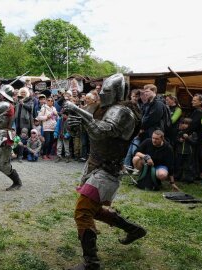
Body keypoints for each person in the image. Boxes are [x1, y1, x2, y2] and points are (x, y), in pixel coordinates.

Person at [63, 74, 146, 270]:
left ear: (117, 93)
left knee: (83, 213)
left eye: (106, 91)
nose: (101, 93)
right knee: (94, 209)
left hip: (107, 170)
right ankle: (134, 230)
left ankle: (91, 263)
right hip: (94, 165)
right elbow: (80, 127)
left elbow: (101, 131)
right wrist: (73, 123)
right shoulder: (102, 107)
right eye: (100, 89)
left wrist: (77, 110)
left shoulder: (123, 112)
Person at [174, 118, 197, 183]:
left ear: (190, 125)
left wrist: (188, 138)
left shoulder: (193, 133)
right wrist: (179, 140)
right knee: (179, 165)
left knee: (188, 166)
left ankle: (189, 179)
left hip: (189, 152)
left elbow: (194, 142)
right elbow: (175, 140)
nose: (184, 125)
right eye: (183, 123)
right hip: (180, 151)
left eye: (186, 124)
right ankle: (177, 177)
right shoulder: (179, 132)